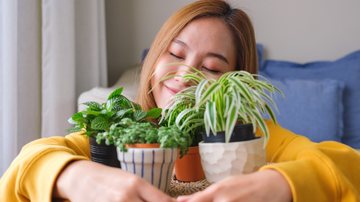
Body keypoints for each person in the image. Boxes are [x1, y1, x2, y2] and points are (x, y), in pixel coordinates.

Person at [1, 0, 359, 201]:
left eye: (211, 67)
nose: (186, 74)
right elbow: (29, 162)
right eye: (175, 53)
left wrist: (279, 184)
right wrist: (77, 177)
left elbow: (348, 166)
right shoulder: (128, 128)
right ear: (155, 58)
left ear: (236, 82)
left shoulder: (253, 139)